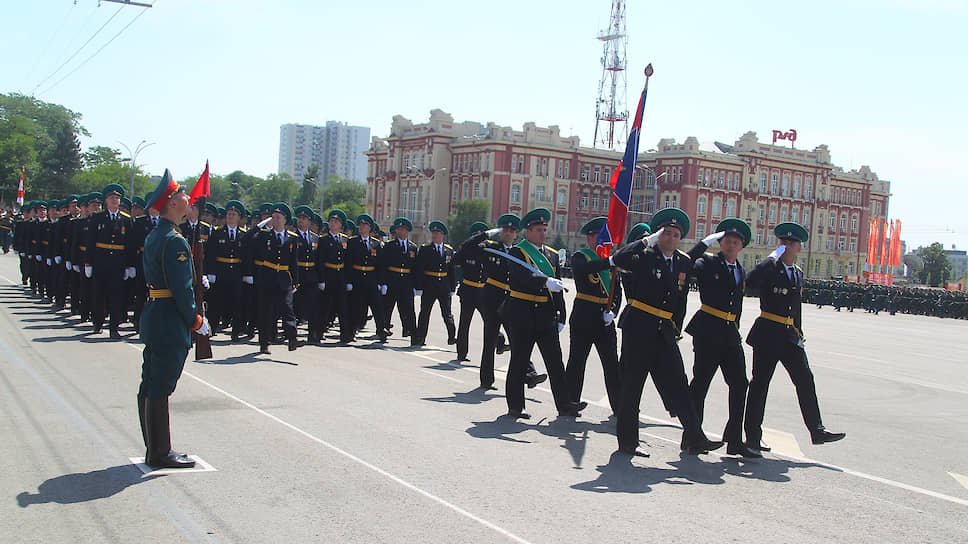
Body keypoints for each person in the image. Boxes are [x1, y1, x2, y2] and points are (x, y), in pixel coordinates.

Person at [610, 208, 723, 457]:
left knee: (680, 385)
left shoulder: (682, 261)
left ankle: (695, 437)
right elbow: (619, 259)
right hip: (639, 328)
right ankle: (628, 442)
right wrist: (643, 242)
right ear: (658, 235)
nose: (671, 238)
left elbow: (680, 299)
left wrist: (676, 329)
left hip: (665, 333)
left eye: (675, 234)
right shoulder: (644, 256)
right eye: (666, 233)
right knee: (632, 387)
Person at [744, 222, 846, 451]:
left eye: (792, 243)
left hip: (790, 337)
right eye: (784, 242)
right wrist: (771, 258)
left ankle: (817, 430)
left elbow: (795, 308)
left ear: (799, 248)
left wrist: (799, 333)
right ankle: (752, 435)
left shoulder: (797, 273)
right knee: (760, 385)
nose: (788, 246)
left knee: (805, 380)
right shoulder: (770, 268)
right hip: (768, 333)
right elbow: (750, 282)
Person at [138, 171, 211, 469]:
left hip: (155, 315)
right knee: (161, 385)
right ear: (170, 204)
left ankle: (153, 446)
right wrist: (195, 321)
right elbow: (182, 290)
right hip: (170, 321)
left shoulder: (157, 235)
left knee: (150, 382)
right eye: (181, 194)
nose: (187, 198)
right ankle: (159, 452)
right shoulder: (174, 241)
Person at [685, 218, 761, 458]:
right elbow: (684, 265)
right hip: (708, 331)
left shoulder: (739, 269)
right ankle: (692, 438)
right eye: (727, 241)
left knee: (740, 384)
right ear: (720, 243)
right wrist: (701, 244)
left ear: (741, 246)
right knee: (700, 385)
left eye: (735, 242)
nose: (730, 245)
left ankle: (734, 439)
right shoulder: (707, 262)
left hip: (730, 334)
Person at [500, 208, 580, 419]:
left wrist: (561, 315)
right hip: (522, 313)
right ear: (528, 231)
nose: (543, 234)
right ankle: (516, 406)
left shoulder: (552, 255)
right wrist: (544, 282)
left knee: (555, 361)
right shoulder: (518, 252)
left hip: (545, 315)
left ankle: (564, 405)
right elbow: (520, 275)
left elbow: (559, 288)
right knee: (519, 360)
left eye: (545, 229)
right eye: (539, 230)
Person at [563, 217, 622, 417]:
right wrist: (609, 262)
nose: (601, 241)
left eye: (604, 237)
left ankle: (619, 406)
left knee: (612, 365)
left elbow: (617, 292)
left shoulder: (612, 262)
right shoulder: (581, 256)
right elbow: (583, 270)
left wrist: (613, 310)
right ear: (589, 238)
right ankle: (570, 401)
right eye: (598, 237)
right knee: (577, 362)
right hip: (584, 316)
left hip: (604, 320)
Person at [244, 202, 303, 354]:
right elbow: (245, 239)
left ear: (285, 220)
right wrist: (259, 226)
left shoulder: (292, 238)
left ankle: (292, 339)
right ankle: (264, 343)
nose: (275, 220)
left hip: (284, 278)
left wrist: (295, 282)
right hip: (267, 277)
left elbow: (293, 262)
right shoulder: (264, 235)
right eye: (273, 217)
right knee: (265, 311)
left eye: (279, 217)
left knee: (288, 309)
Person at [85, 184, 135, 339]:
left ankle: (114, 327)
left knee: (116, 296)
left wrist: (129, 265)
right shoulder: (97, 217)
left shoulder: (126, 220)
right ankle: (98, 322)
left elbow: (130, 245)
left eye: (117, 198)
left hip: (118, 263)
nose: (115, 200)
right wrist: (88, 263)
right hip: (101, 261)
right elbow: (90, 241)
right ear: (106, 200)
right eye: (112, 198)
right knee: (99, 294)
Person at [204, 200, 247, 341]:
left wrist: (246, 274)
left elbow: (247, 257)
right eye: (229, 214)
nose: (230, 216)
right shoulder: (217, 233)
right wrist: (211, 272)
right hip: (221, 271)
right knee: (216, 302)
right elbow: (210, 254)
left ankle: (235, 332)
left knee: (237, 303)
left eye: (234, 214)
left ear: (239, 217)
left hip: (236, 272)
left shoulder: (243, 235)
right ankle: (212, 328)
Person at [412, 221, 457, 347]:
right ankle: (421, 337)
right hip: (429, 284)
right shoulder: (426, 249)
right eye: (434, 233)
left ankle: (452, 336)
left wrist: (452, 287)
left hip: (443, 285)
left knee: (447, 313)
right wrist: (419, 287)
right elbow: (419, 269)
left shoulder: (448, 250)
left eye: (438, 233)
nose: (435, 235)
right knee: (425, 312)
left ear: (443, 235)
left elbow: (451, 270)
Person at [346, 214, 386, 342]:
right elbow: (348, 263)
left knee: (377, 306)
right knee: (355, 307)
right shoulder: (352, 242)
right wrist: (349, 281)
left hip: (371, 279)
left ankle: (381, 330)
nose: (362, 227)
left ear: (370, 228)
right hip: (357, 277)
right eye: (361, 225)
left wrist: (381, 282)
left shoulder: (375, 244)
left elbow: (380, 265)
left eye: (365, 225)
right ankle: (351, 332)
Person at [453, 221, 490, 362]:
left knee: (490, 320)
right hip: (468, 290)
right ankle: (461, 353)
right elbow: (455, 262)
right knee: (465, 323)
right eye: (478, 237)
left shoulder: (487, 251)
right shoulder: (466, 250)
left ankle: (499, 344)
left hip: (483, 292)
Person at [317, 209, 352, 343]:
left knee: (342, 307)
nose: (333, 223)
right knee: (325, 306)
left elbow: (348, 262)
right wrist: (321, 279)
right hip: (328, 274)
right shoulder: (323, 240)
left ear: (341, 225)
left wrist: (348, 280)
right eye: (331, 221)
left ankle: (345, 335)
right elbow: (320, 260)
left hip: (340, 277)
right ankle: (319, 332)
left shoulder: (345, 240)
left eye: (336, 222)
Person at [380, 217, 419, 340]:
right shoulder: (389, 245)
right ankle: (383, 331)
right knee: (387, 307)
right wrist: (383, 283)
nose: (400, 231)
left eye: (403, 229)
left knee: (408, 308)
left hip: (406, 282)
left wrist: (415, 286)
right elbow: (383, 265)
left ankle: (412, 333)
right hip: (392, 279)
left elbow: (415, 269)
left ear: (408, 231)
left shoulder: (412, 247)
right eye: (399, 229)